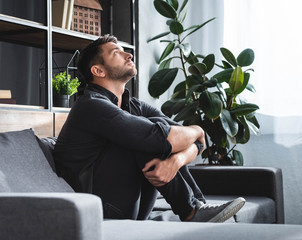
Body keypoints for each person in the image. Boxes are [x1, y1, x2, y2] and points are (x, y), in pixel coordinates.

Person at [53, 34, 245, 222]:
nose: (128, 55)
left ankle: (197, 208)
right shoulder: (91, 105)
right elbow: (162, 138)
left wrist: (175, 161)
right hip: (92, 208)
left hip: (132, 206)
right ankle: (191, 212)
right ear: (98, 71)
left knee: (155, 131)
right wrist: (198, 130)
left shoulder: (135, 106)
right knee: (146, 137)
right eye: (116, 53)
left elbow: (192, 142)